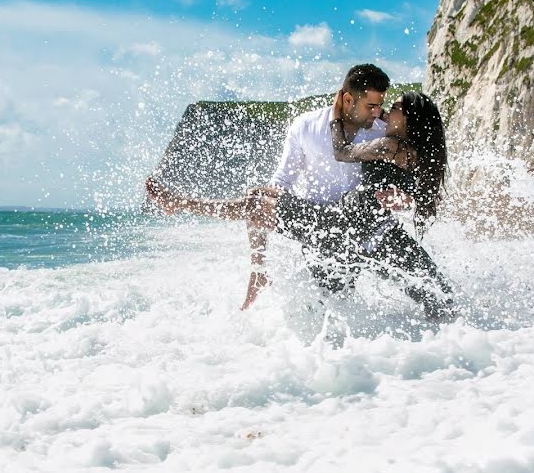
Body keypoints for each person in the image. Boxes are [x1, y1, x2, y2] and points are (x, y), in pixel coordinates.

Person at [145, 82, 455, 320]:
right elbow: (411, 186)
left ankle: (183, 205)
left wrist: (335, 115)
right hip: (362, 235)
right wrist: (402, 198)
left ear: (409, 118)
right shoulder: (396, 142)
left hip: (342, 228)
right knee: (436, 300)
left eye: (396, 107)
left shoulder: (394, 146)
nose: (387, 109)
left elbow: (346, 154)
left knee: (440, 301)